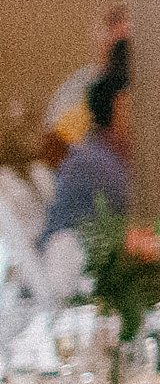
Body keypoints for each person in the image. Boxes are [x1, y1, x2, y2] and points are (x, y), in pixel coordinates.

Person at [31, 49, 131, 307]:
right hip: (82, 294)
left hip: (85, 280)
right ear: (118, 106)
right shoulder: (97, 165)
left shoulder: (95, 154)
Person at [37, 5, 125, 164]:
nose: (119, 54)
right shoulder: (77, 89)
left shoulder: (151, 89)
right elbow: (55, 149)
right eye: (115, 46)